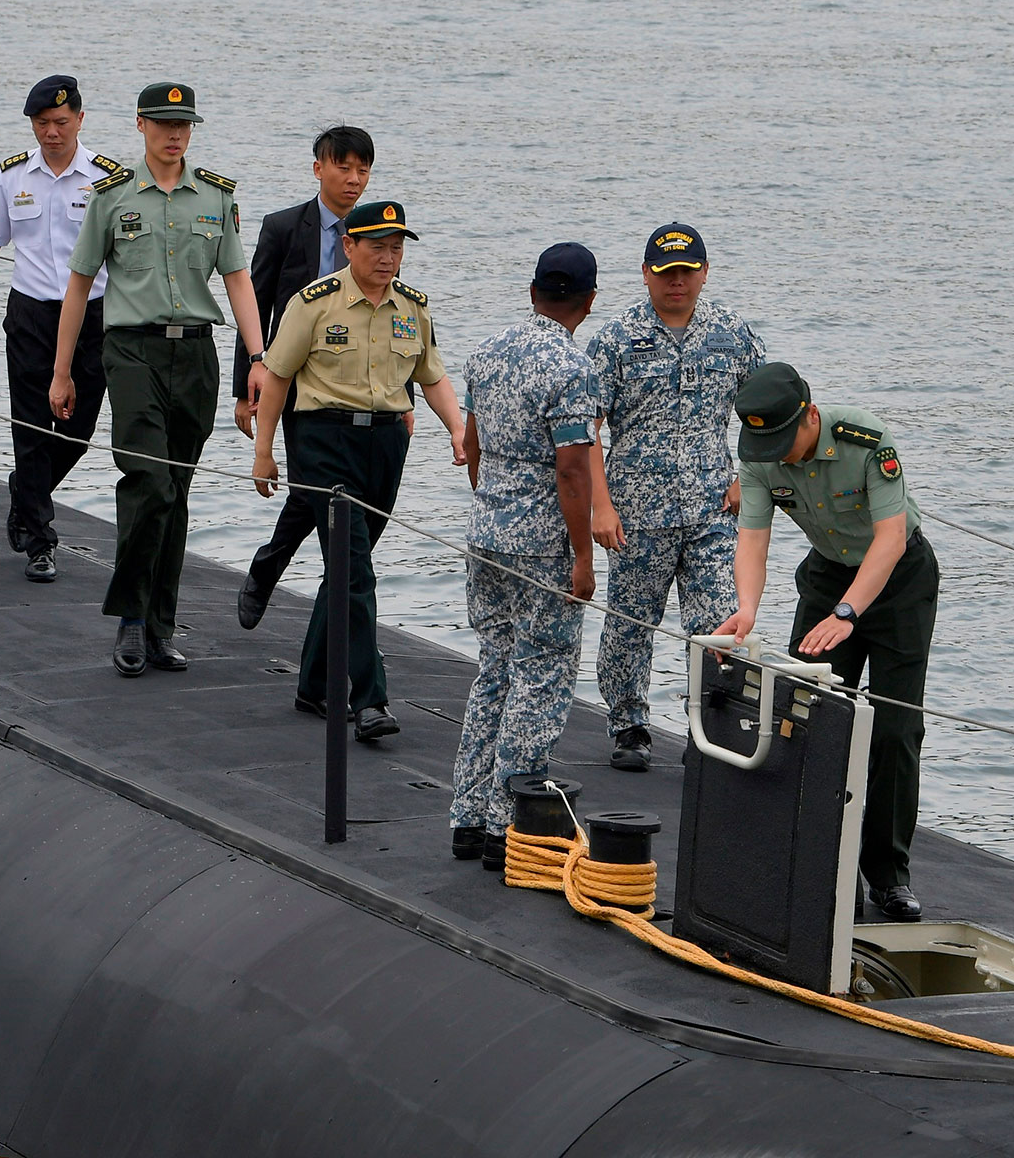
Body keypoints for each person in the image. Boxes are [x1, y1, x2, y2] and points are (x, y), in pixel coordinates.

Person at [48, 81, 269, 677]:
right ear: (140, 125)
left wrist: (258, 358)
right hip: (132, 352)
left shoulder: (216, 197)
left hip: (196, 355)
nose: (175, 135)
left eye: (184, 125)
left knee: (177, 490)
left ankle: (160, 626)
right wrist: (63, 372)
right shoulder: (111, 196)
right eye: (164, 124)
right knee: (149, 479)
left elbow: (238, 280)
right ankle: (131, 616)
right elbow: (78, 285)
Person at [715, 362, 939, 923]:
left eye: (785, 442)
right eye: (768, 446)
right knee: (805, 714)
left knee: (894, 727)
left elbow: (891, 538)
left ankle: (887, 875)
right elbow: (753, 540)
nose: (779, 456)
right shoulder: (760, 456)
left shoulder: (865, 441)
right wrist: (747, 609)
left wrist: (849, 612)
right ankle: (816, 864)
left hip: (898, 581)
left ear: (810, 416)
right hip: (828, 574)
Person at [252, 202, 466, 739]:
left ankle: (313, 684)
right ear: (349, 246)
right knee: (355, 571)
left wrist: (458, 429)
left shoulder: (412, 306)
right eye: (377, 247)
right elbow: (276, 378)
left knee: (348, 567)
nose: (388, 258)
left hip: (386, 442)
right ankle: (370, 698)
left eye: (397, 248)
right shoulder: (314, 302)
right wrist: (264, 450)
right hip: (324, 440)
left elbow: (432, 376)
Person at [587, 223, 766, 771]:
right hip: (637, 512)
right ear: (646, 274)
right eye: (666, 273)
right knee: (631, 623)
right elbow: (586, 427)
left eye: (687, 272)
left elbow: (766, 412)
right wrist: (601, 505)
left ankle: (711, 730)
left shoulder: (732, 333)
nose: (677, 283)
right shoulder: (616, 338)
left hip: (715, 508)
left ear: (705, 273)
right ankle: (629, 725)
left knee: (720, 624)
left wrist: (749, 478)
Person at [448, 243, 600, 871]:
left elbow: (473, 445)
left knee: (494, 670)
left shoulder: (487, 352)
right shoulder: (573, 368)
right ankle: (505, 825)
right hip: (541, 546)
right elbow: (572, 471)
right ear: (589, 301)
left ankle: (467, 815)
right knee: (540, 677)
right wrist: (583, 556)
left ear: (533, 293)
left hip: (486, 532)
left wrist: (492, 508)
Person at [0, 74, 120, 583]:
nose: (51, 133)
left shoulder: (108, 181)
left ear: (80, 120)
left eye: (61, 122)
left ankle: (26, 491)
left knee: (78, 431)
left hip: (93, 317)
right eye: (42, 124)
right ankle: (40, 541)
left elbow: (127, 259)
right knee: (32, 427)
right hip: (32, 315)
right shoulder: (13, 176)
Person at [233, 125, 383, 630]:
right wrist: (245, 383)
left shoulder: (377, 235)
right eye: (344, 167)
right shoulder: (282, 227)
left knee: (314, 489)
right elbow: (254, 305)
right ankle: (325, 597)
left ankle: (272, 567)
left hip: (356, 383)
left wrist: (401, 400)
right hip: (293, 378)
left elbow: (388, 320)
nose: (354, 179)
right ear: (319, 168)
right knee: (312, 483)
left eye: (363, 170)